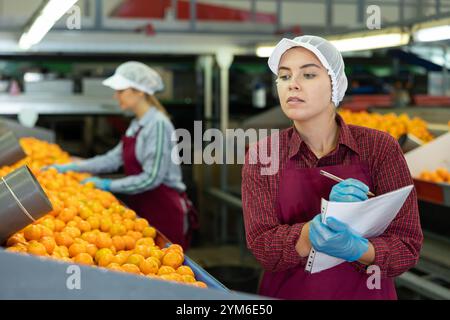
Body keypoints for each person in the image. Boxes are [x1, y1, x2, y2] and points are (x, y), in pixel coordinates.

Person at [241, 35, 423, 300]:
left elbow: (407, 246)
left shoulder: (379, 148)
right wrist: (309, 233)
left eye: (309, 75)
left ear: (335, 84)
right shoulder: (262, 155)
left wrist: (358, 249)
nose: (292, 85)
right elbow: (262, 248)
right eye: (284, 76)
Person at [48, 61, 198, 250]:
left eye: (120, 90)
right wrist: (73, 166)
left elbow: (151, 178)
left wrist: (108, 185)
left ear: (140, 91)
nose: (115, 95)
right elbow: (113, 159)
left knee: (167, 267)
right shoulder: (137, 124)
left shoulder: (158, 125)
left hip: (164, 208)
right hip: (143, 205)